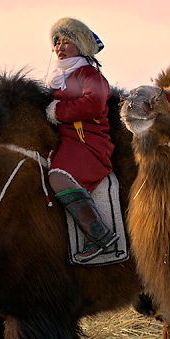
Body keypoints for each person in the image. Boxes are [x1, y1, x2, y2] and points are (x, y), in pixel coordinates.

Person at [45, 17, 119, 262]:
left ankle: (100, 235)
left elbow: (94, 103)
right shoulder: (60, 78)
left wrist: (58, 112)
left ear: (81, 45)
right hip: (68, 142)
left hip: (88, 144)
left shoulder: (88, 74)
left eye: (67, 41)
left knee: (58, 176)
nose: (59, 46)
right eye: (57, 42)